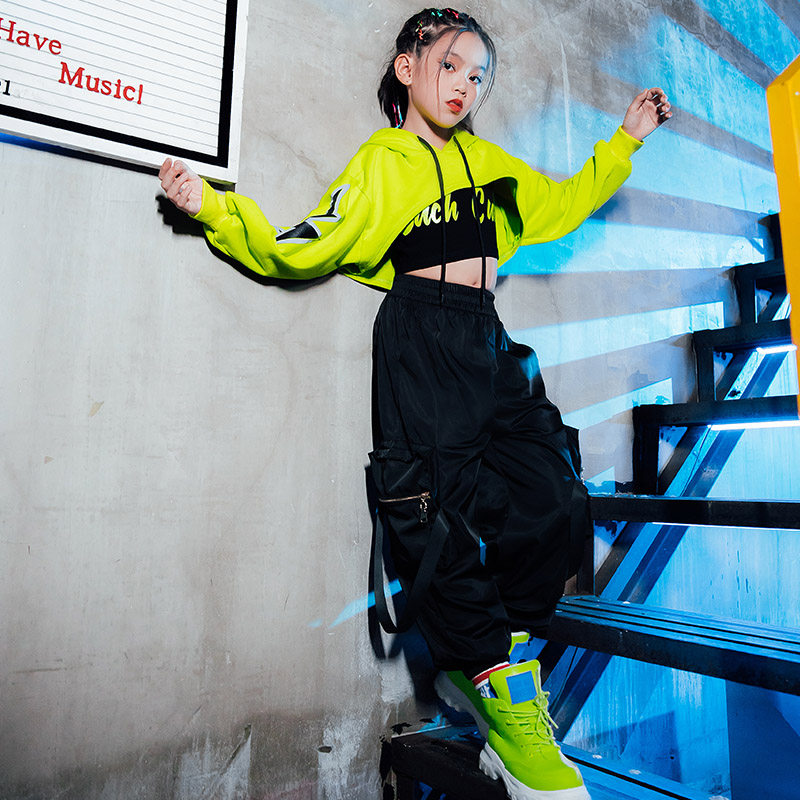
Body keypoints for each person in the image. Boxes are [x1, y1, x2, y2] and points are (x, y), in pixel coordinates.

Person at [158, 7, 671, 799]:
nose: (465, 85)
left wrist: (626, 139)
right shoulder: (385, 161)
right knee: (435, 513)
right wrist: (214, 209)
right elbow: (307, 243)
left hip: (489, 336)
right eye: (451, 65)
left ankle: (494, 669)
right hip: (423, 335)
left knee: (556, 494)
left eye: (479, 75)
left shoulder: (488, 162)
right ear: (409, 67)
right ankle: (502, 695)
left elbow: (562, 205)